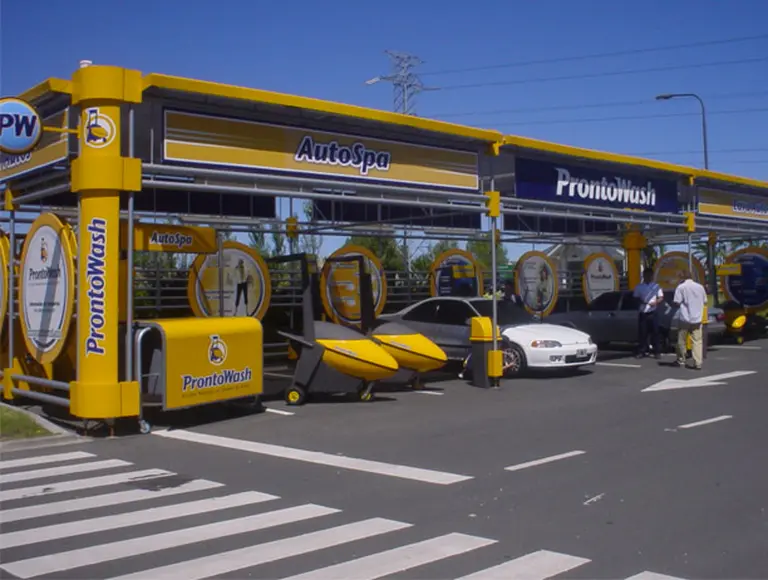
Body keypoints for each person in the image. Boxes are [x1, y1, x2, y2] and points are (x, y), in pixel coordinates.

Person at [673, 269, 707, 369]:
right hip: (697, 318)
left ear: (682, 277)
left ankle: (681, 359)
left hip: (685, 317)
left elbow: (677, 302)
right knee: (697, 341)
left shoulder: (681, 287)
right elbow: (705, 301)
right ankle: (698, 363)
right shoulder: (700, 287)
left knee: (681, 340)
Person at [632, 267, 664, 358]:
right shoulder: (639, 287)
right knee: (642, 333)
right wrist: (642, 301)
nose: (648, 277)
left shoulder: (656, 286)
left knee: (655, 332)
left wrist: (656, 302)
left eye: (650, 275)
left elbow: (661, 297)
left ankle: (656, 351)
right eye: (646, 275)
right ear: (644, 275)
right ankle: (642, 351)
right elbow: (635, 298)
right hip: (643, 312)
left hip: (653, 312)